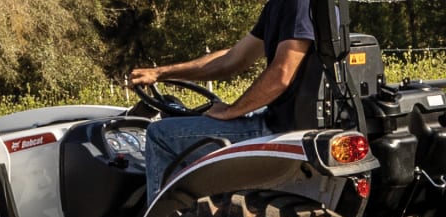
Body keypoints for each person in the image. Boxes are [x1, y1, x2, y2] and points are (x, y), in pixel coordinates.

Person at [128, 0, 319, 197]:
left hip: (280, 129)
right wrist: (160, 73)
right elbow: (232, 59)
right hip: (294, 122)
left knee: (159, 135)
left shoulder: (297, 4)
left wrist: (231, 111)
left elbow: (281, 74)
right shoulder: (284, 6)